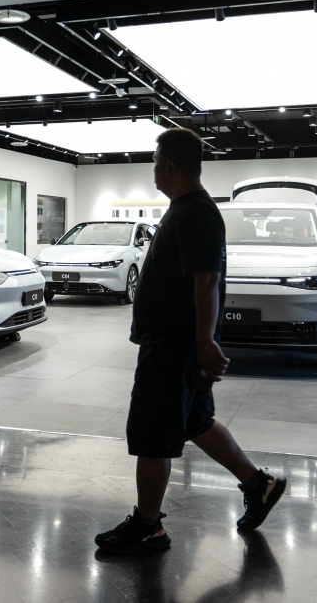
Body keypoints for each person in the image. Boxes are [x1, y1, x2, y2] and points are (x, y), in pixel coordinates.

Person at [95, 128, 286, 555]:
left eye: (155, 162)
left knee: (153, 433)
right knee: (195, 421)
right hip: (177, 344)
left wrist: (203, 341)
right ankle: (260, 484)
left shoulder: (197, 212)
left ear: (169, 165)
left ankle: (147, 526)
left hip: (174, 346)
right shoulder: (186, 209)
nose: (154, 171)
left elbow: (207, 281)